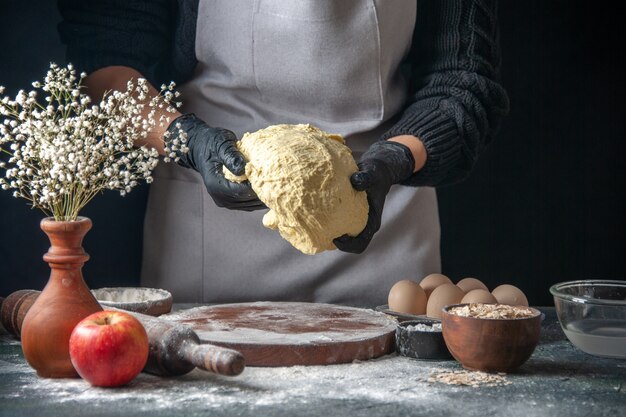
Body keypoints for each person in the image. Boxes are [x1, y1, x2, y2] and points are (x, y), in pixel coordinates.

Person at [57, 0, 509, 306]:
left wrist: (397, 159)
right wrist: (189, 142)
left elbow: (463, 77)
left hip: (382, 222)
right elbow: (108, 63)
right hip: (211, 233)